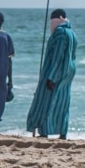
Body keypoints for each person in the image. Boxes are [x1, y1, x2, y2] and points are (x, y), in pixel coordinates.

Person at [26, 9, 78, 139]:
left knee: (46, 101)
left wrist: (51, 77)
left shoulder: (60, 33)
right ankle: (62, 132)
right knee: (62, 104)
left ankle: (44, 132)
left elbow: (57, 56)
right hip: (68, 73)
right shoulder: (72, 33)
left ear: (59, 19)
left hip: (55, 74)